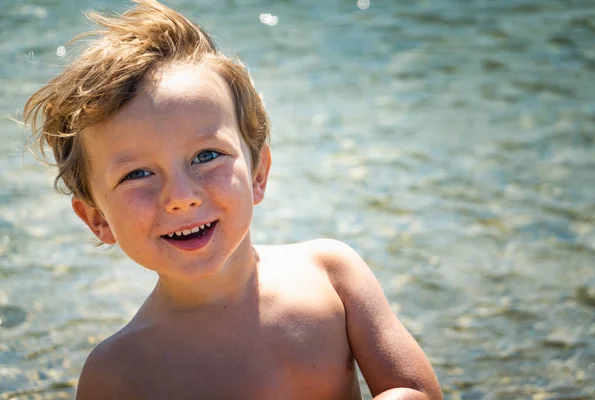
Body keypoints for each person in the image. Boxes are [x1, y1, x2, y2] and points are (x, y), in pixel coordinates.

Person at [23, 1, 443, 399]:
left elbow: (419, 391)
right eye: (138, 174)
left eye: (206, 156)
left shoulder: (330, 274)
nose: (181, 197)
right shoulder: (117, 372)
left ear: (258, 173)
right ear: (97, 218)